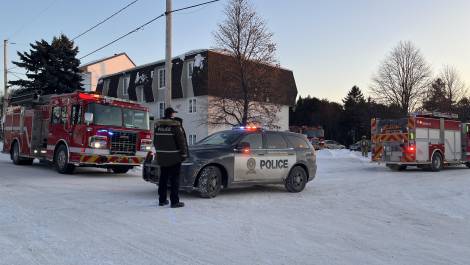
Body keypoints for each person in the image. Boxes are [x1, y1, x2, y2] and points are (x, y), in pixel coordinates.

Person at [154, 107, 188, 208]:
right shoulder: (175, 127)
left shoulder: (158, 127)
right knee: (174, 180)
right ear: (172, 114)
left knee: (163, 179)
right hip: (174, 157)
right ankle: (174, 201)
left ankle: (162, 200)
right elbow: (181, 142)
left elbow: (155, 142)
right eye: (174, 113)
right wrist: (184, 154)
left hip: (162, 157)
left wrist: (160, 153)